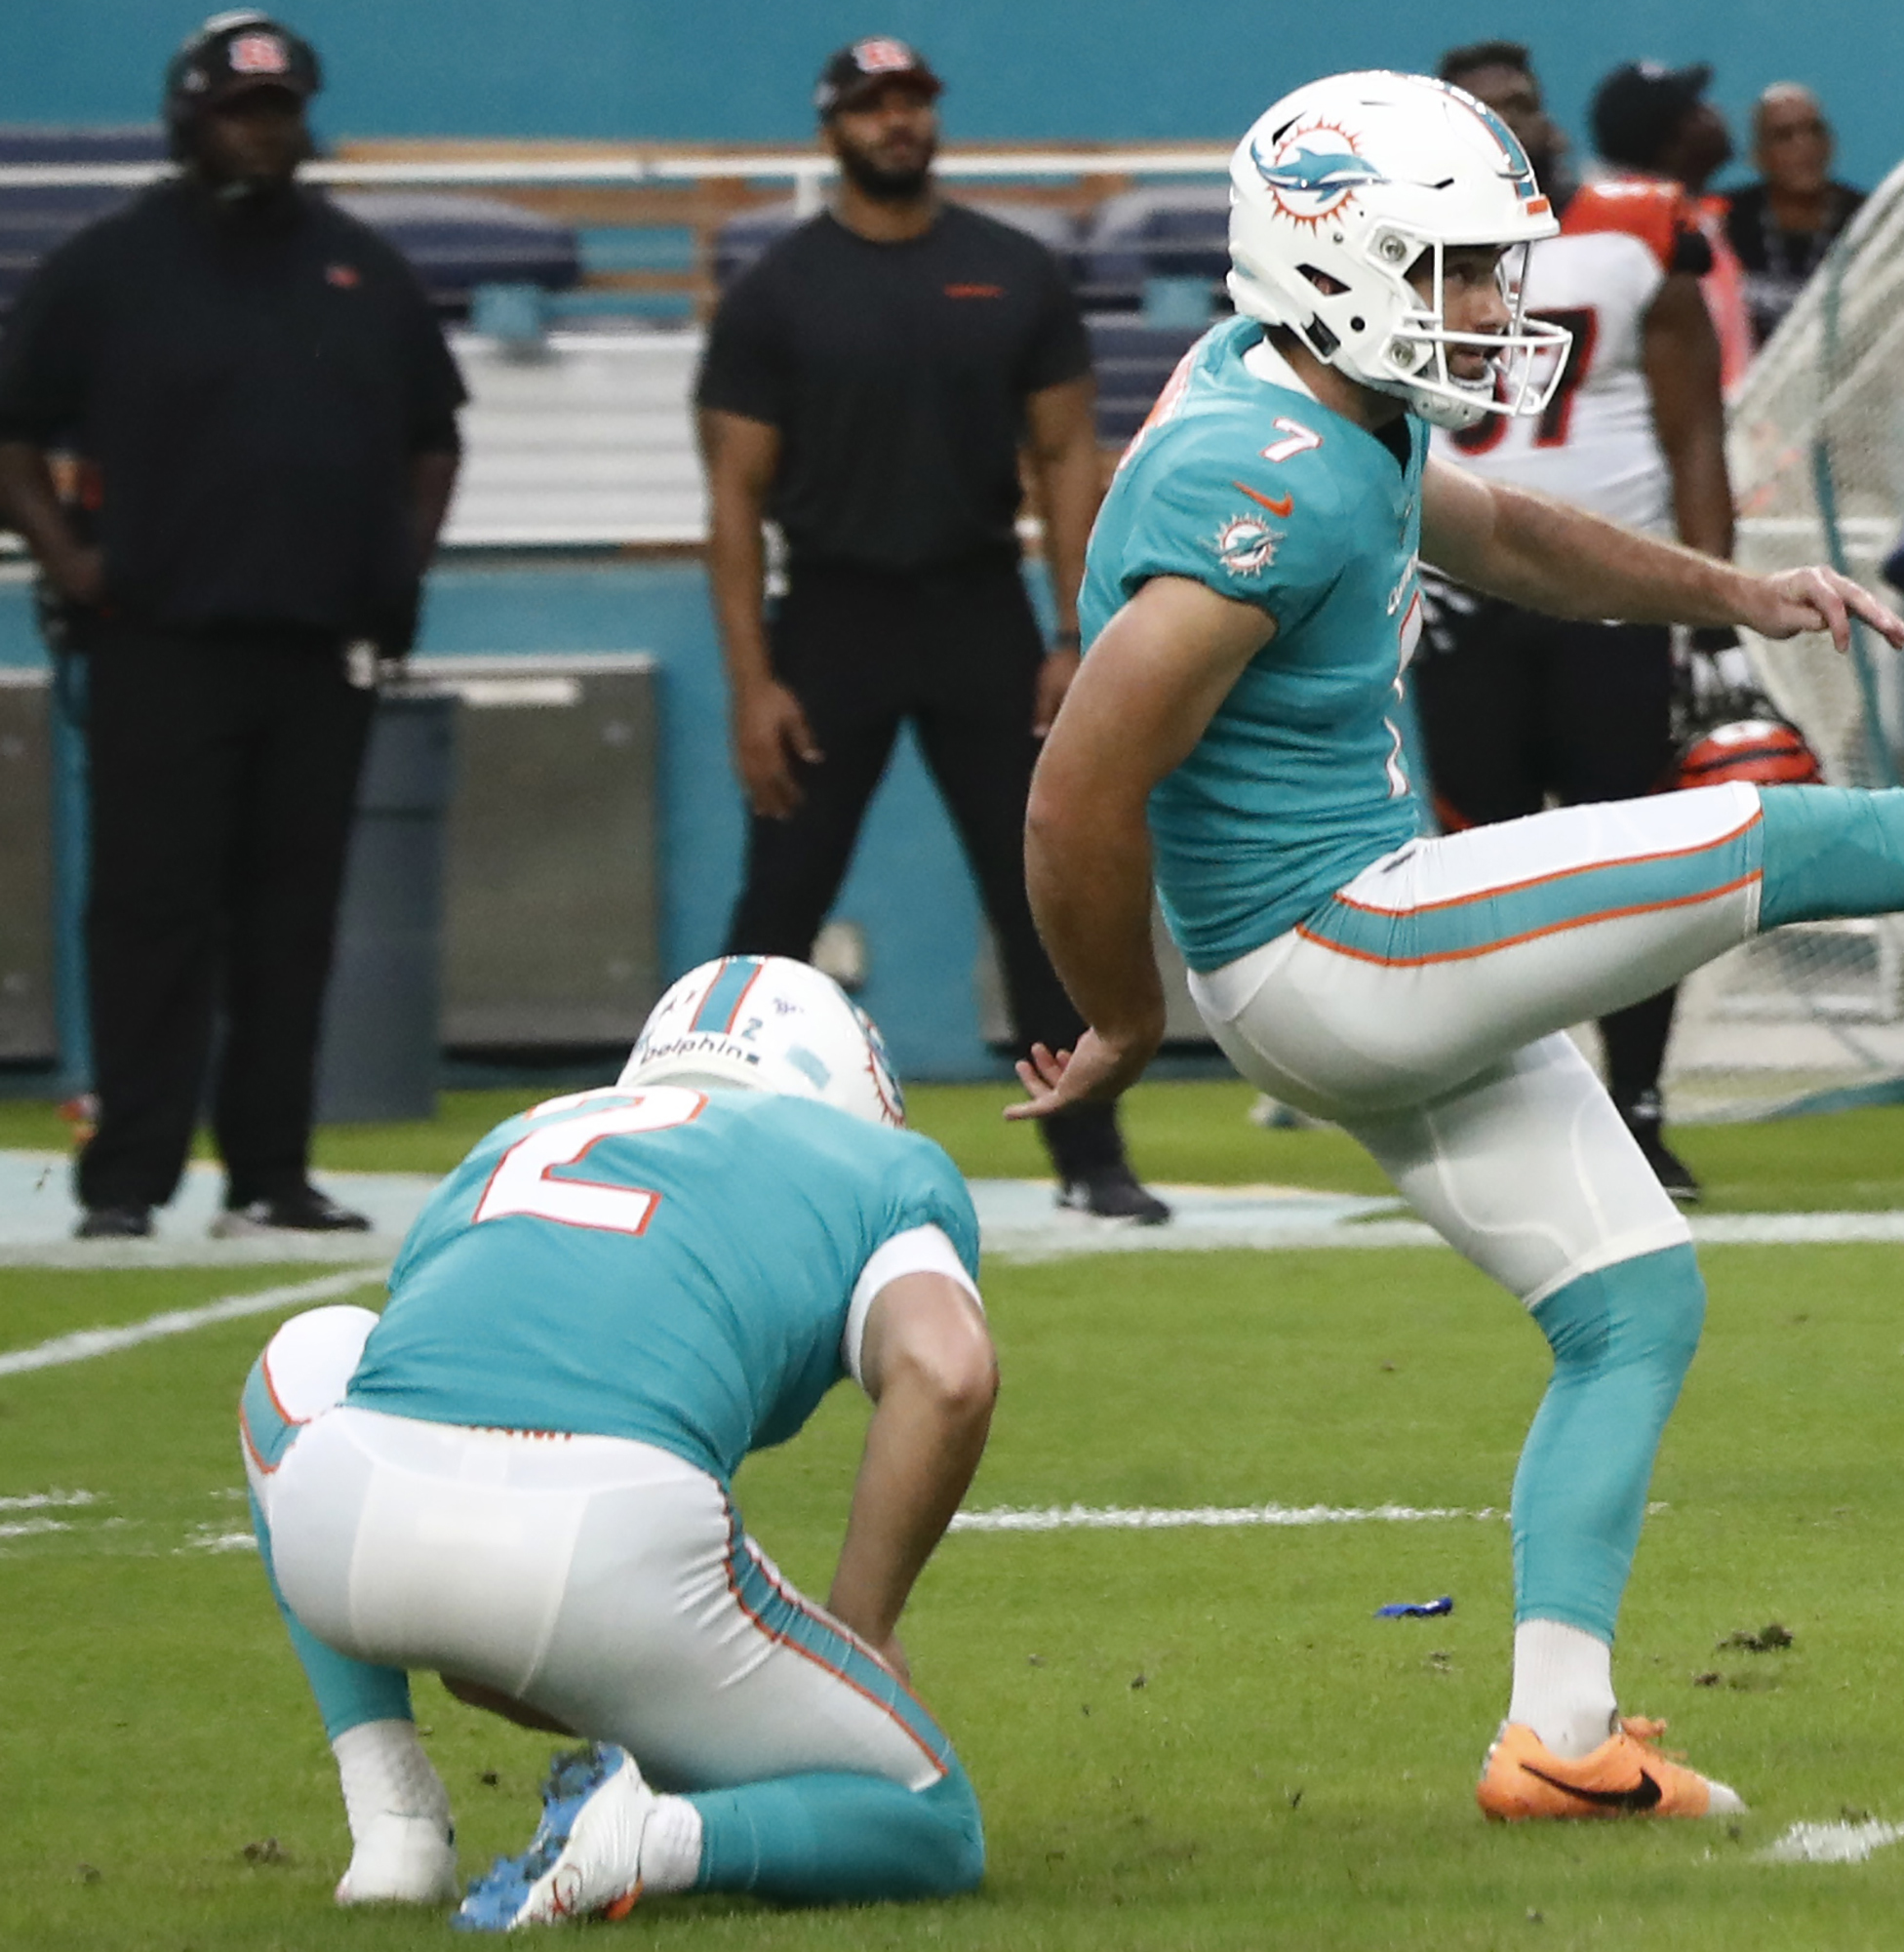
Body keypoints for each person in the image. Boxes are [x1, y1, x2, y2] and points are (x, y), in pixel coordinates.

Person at [1014, 69, 1904, 1816]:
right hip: (1330, 942)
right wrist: (1119, 1017)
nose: (1498, 307)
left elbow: (1514, 536)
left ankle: (1558, 1740)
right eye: (1455, 268)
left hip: (1338, 943)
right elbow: (1076, 794)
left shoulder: (1322, 401)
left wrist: (1740, 589)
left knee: (1633, 1306)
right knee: (1808, 838)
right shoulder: (1255, 473)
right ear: (1333, 256)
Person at [241, 955, 995, 1927]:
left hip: (351, 1530)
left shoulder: (516, 1136)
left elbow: (424, 1373)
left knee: (309, 1348)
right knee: (931, 1818)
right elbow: (948, 1370)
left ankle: (394, 1819)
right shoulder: (873, 1167)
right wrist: (862, 1632)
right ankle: (648, 1838)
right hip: (602, 1540)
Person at [0, 14, 463, 1243]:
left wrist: (395, 571)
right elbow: (13, 432)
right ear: (188, 121)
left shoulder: (360, 268)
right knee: (152, 914)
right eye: (238, 112)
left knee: (291, 922)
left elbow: (433, 436)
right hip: (157, 642)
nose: (263, 132)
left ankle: (271, 1172)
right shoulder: (107, 267)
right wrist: (71, 556)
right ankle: (127, 1181)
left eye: (280, 112)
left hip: (320, 650)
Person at [695, 36, 1167, 1221]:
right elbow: (734, 499)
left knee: (1042, 888)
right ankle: (691, 1143)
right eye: (872, 106)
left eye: (911, 102)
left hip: (978, 613)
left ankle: (1091, 1154)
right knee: (781, 896)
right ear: (832, 128)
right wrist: (753, 680)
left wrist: (1075, 634)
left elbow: (1068, 457)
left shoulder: (1011, 271)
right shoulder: (777, 290)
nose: (897, 122)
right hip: (834, 617)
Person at [1420, 44, 1735, 1197]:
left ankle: (1638, 1105)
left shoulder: (1637, 229)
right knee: (1480, 869)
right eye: (1486, 110)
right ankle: (1512, 1117)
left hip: (1614, 599)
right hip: (1463, 595)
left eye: (1524, 104)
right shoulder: (1400, 243)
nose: (1514, 123)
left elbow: (1694, 428)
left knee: (1637, 860)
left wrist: (1713, 609)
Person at [1588, 60, 1754, 386]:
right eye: (1696, 109)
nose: (1714, 112)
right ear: (1670, 141)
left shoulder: (1693, 215)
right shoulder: (1641, 232)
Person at [1724, 84, 1865, 346]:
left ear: (1830, 144)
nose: (1804, 146)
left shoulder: (1868, 219)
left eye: (1814, 131)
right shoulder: (1725, 220)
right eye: (1784, 136)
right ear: (1759, 156)